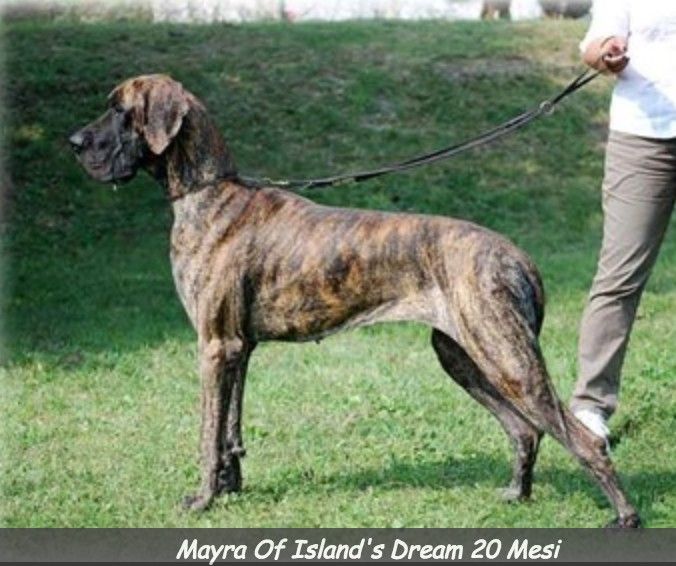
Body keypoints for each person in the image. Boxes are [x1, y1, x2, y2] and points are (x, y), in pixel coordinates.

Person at [571, 0, 676, 444]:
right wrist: (606, 51)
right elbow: (595, 43)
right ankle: (590, 405)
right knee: (619, 276)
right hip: (643, 138)